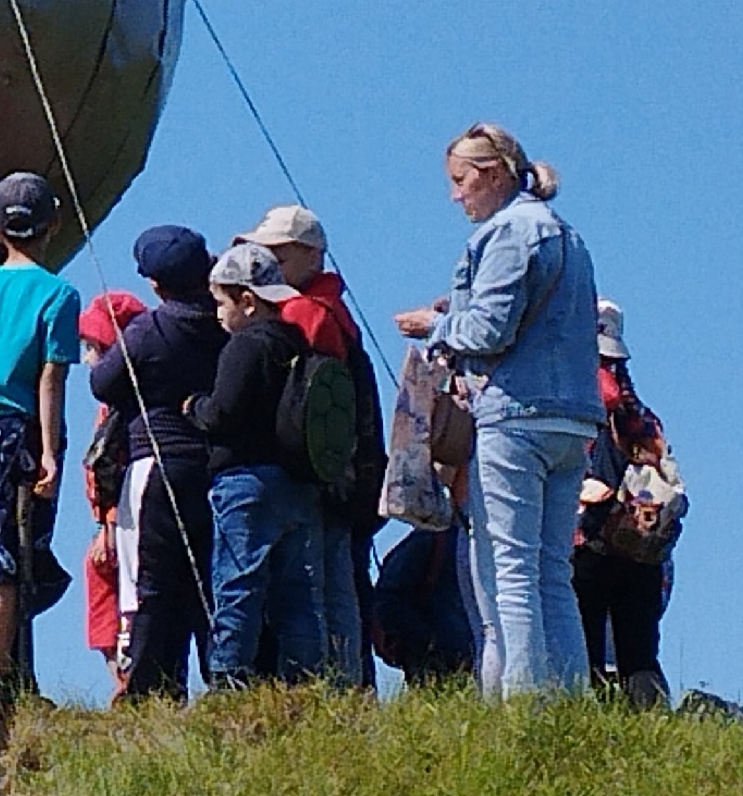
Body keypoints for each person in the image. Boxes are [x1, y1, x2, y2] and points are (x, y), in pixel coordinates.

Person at [394, 123, 601, 699]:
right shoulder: (567, 233)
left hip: (515, 415)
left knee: (505, 567)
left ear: (489, 173)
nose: (456, 195)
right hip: (573, 416)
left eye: (460, 181)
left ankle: (520, 703)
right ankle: (569, 698)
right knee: (552, 569)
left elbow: (489, 330)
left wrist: (434, 325)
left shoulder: (507, 233)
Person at [234, 205, 384, 687]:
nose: (268, 263)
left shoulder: (305, 313)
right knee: (339, 582)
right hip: (345, 468)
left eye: (277, 253)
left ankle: (332, 686)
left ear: (309, 254)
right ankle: (349, 686)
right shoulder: (333, 309)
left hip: (318, 469)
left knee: (320, 584)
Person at [0, 172, 82, 715]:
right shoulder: (59, 294)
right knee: (14, 553)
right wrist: (51, 450)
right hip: (23, 428)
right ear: (53, 224)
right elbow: (51, 378)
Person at [92, 226, 228, 700]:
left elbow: (103, 384)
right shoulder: (226, 322)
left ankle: (151, 689)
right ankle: (222, 681)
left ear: (154, 283)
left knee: (152, 585)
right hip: (214, 466)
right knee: (207, 584)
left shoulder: (148, 330)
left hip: (155, 464)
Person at [191, 243, 324, 685]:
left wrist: (193, 405)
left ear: (247, 301)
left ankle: (229, 678)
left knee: (238, 582)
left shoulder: (244, 347)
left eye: (221, 303)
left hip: (245, 479)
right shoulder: (297, 343)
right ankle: (305, 679)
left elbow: (221, 414)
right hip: (297, 480)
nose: (217, 315)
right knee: (297, 592)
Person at [573, 299, 682, 709]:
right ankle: (652, 731)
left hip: (586, 545)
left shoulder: (572, 407)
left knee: (584, 655)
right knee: (639, 656)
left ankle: (593, 732)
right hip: (642, 550)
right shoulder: (641, 416)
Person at [77, 290, 146, 693]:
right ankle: (122, 674)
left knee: (123, 588)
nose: (87, 355)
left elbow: (109, 466)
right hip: (112, 515)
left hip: (122, 517)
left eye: (93, 345)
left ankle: (127, 676)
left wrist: (107, 523)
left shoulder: (121, 403)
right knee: (101, 579)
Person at [367, 525, 478, 685]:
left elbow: (388, 600)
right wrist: (424, 640)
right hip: (438, 653)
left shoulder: (429, 540)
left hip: (445, 651)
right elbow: (388, 602)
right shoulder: (430, 541)